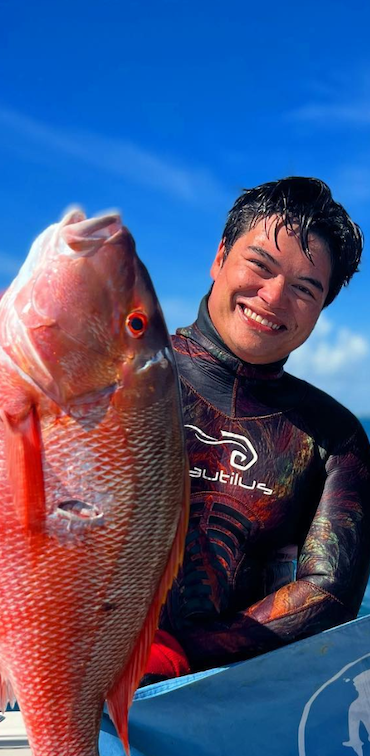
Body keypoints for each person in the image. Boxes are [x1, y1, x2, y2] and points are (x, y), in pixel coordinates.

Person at [143, 176, 370, 681]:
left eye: (305, 288)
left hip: (239, 710)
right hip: (76, 683)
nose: (273, 297)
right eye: (259, 265)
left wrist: (177, 654)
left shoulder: (333, 436)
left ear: (323, 307)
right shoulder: (120, 378)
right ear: (220, 256)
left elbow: (327, 595)